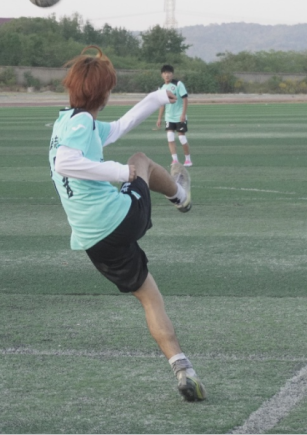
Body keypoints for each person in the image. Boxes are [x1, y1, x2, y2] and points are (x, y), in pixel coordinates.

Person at [49, 46, 205, 402]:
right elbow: (65, 163)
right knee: (139, 159)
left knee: (149, 297)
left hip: (93, 239)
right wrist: (119, 171)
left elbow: (119, 128)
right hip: (118, 218)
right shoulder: (82, 123)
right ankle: (180, 196)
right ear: (104, 93)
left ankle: (183, 369)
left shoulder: (67, 122)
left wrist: (156, 98)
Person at [155, 65, 192, 167]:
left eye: (169, 73)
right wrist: (159, 118)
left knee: (182, 138)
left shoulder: (178, 84)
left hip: (179, 116)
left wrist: (183, 114)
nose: (167, 75)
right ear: (162, 75)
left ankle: (188, 160)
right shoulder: (161, 87)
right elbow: (162, 104)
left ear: (172, 74)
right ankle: (175, 160)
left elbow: (185, 99)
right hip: (169, 117)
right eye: (165, 73)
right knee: (170, 137)